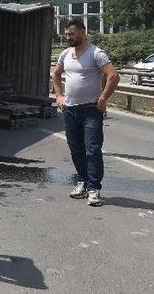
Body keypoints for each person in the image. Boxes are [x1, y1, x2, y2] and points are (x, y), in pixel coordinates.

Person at [51, 18, 119, 207]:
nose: (68, 37)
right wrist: (58, 96)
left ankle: (94, 187)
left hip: (90, 110)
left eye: (72, 34)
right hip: (70, 110)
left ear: (82, 32)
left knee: (92, 149)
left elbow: (113, 75)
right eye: (66, 35)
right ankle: (82, 182)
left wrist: (103, 98)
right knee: (76, 149)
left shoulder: (96, 53)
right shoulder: (65, 54)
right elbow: (56, 74)